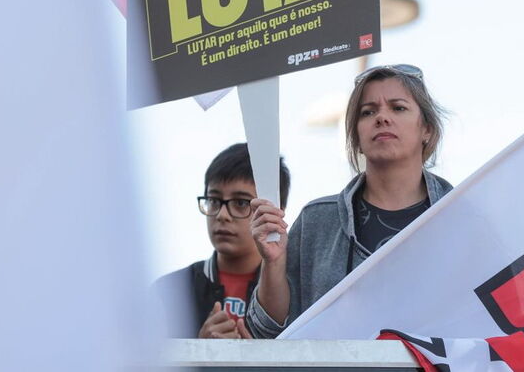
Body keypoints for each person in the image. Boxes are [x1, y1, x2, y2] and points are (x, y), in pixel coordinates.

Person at [246, 64, 452, 338]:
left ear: (426, 128)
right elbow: (267, 331)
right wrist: (273, 263)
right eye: (368, 112)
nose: (382, 118)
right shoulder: (317, 221)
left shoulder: (460, 216)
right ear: (356, 135)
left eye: (398, 108)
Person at [152, 143, 291, 338]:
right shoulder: (169, 290)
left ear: (276, 210)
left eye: (241, 203)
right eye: (214, 201)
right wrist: (197, 353)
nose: (222, 215)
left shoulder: (296, 288)